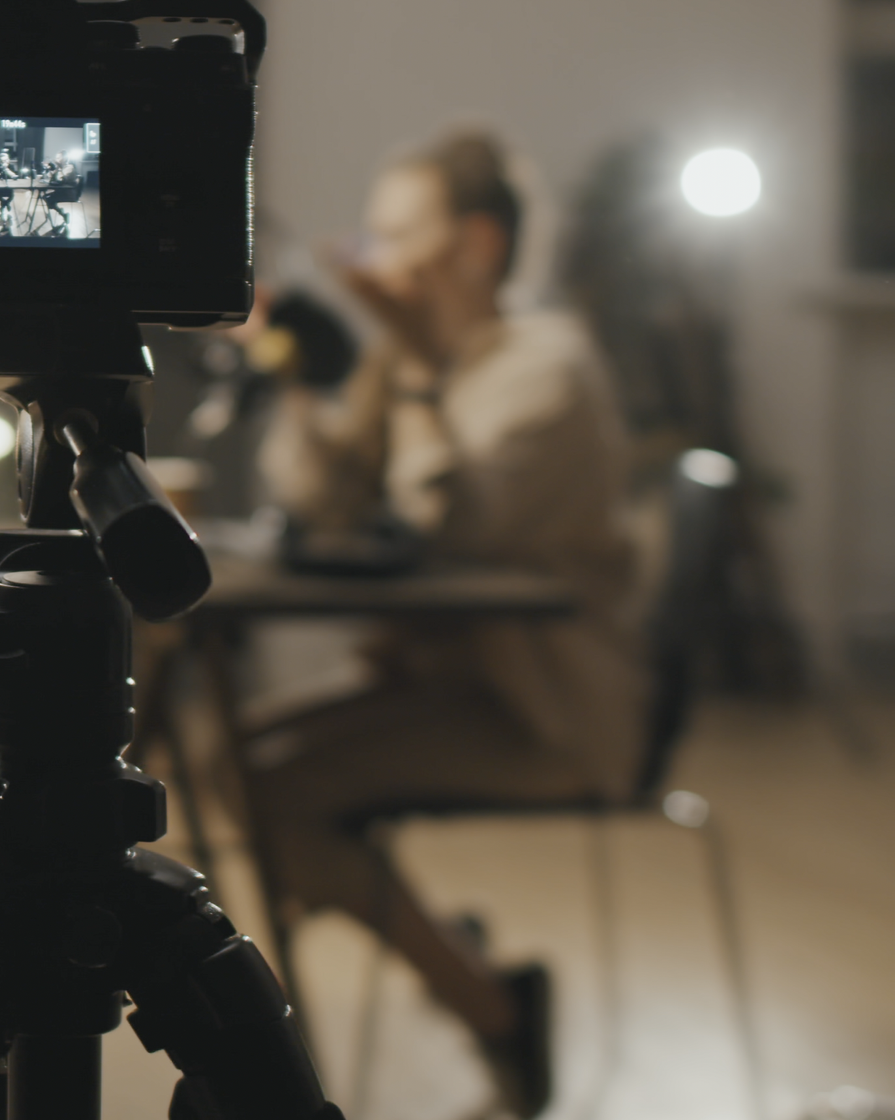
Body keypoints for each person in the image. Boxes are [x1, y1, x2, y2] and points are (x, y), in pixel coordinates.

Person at [248, 128, 636, 1117]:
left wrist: (417, 373)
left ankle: (488, 1005)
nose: (370, 263)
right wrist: (295, 373)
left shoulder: (548, 370)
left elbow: (451, 528)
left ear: (475, 245)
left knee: (273, 793)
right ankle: (450, 962)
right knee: (233, 761)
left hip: (548, 713)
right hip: (448, 685)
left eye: (393, 237)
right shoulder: (412, 358)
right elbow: (326, 503)